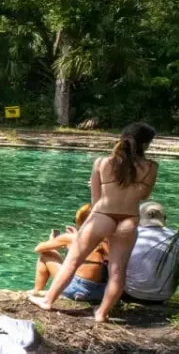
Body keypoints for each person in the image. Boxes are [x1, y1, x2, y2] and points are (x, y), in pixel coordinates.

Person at [32, 123, 159, 321]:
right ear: (146, 144)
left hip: (102, 215)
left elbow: (95, 198)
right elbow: (144, 195)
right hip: (129, 219)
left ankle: (48, 301)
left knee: (73, 261)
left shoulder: (102, 162)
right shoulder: (151, 167)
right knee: (118, 270)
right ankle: (101, 313)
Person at [31, 205, 107, 300]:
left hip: (76, 289)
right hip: (100, 292)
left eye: (75, 221)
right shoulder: (105, 241)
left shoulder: (71, 238)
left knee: (47, 254)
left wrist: (54, 240)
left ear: (81, 221)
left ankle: (37, 291)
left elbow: (38, 248)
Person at [125, 202, 179, 303]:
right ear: (164, 218)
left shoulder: (130, 235)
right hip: (164, 295)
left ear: (138, 218)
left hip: (131, 293)